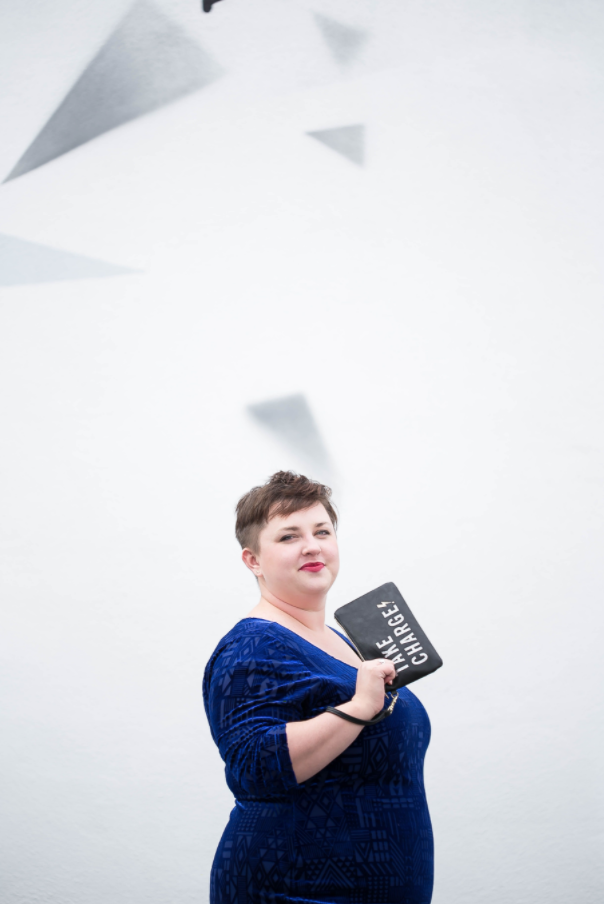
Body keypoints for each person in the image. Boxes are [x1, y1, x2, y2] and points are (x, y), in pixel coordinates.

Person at [203, 471, 434, 904]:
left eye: (322, 531)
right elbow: (254, 767)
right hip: (296, 890)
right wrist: (359, 707)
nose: (312, 545)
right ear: (253, 560)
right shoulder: (252, 645)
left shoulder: (344, 642)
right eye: (289, 536)